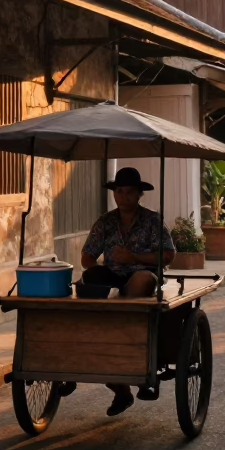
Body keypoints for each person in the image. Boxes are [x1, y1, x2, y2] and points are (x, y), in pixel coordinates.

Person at [81, 166, 175, 416]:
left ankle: (127, 326)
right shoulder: (105, 222)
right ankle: (121, 389)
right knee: (89, 278)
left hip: (141, 274)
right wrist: (98, 276)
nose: (123, 196)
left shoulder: (153, 220)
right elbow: (87, 257)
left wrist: (132, 256)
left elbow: (167, 255)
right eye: (119, 191)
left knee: (142, 279)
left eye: (129, 192)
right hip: (113, 277)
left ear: (138, 194)